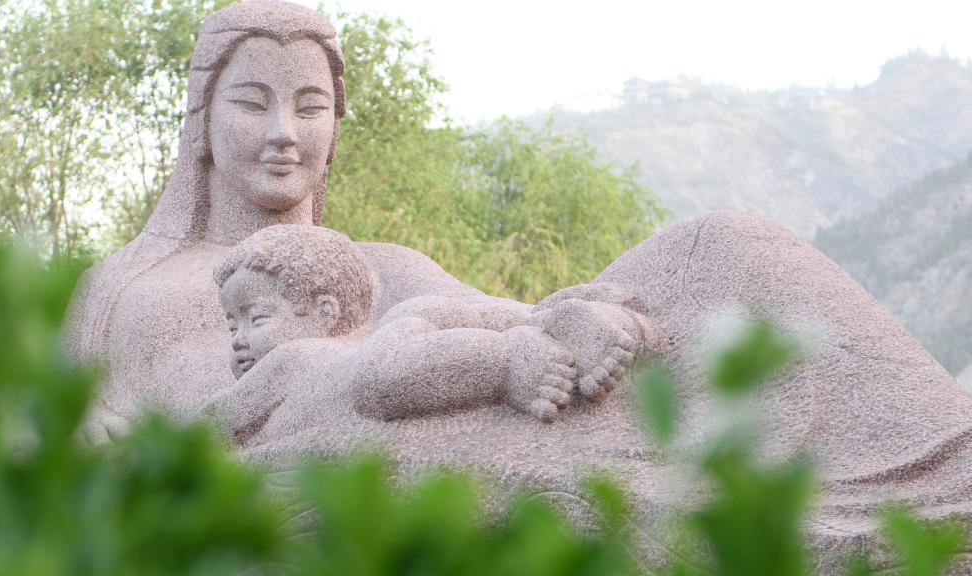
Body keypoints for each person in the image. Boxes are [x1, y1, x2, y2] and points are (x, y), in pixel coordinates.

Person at [65, 0, 635, 445]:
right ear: (202, 118)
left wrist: (596, 317)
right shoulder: (121, 289)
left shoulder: (379, 267)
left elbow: (487, 312)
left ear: (335, 128)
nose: (284, 131)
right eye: (252, 103)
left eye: (311, 107)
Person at [202, 224, 657, 448]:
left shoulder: (293, 361)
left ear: (323, 314)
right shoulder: (369, 334)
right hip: (417, 328)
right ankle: (572, 316)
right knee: (461, 316)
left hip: (392, 351)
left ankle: (511, 358)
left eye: (256, 319)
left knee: (377, 380)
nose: (238, 339)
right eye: (231, 325)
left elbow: (202, 431)